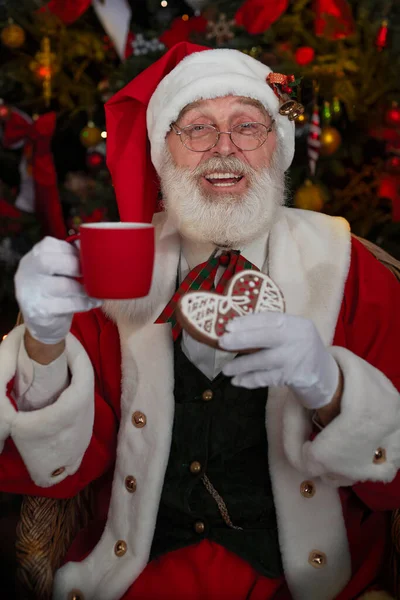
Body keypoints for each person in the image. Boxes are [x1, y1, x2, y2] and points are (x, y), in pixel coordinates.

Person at [0, 41, 399, 600]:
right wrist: (44, 343)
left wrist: (332, 391)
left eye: (247, 125)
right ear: (165, 152)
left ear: (275, 146)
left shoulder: (355, 273)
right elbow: (56, 467)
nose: (224, 149)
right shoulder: (112, 269)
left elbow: (394, 480)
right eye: (197, 128)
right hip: (141, 576)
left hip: (309, 583)